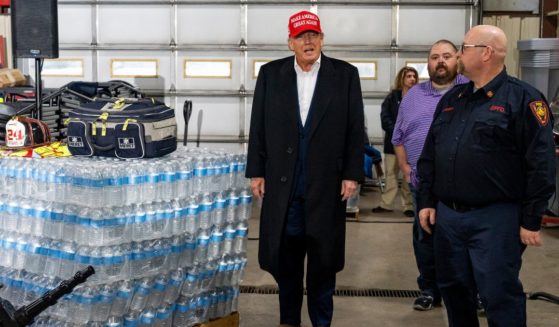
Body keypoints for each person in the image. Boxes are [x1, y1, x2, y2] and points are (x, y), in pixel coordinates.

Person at [417, 25, 555, 327]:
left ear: (486, 53)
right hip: (449, 219)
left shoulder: (524, 100)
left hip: (495, 219)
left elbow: (541, 163)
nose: (458, 54)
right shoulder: (454, 98)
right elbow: (430, 155)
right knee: (454, 292)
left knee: (498, 295)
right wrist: (427, 200)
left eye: (464, 48)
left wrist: (531, 219)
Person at [245, 10, 364, 327]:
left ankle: (321, 322)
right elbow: (257, 125)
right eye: (301, 36)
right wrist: (257, 171)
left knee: (323, 262)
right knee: (286, 261)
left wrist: (352, 174)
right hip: (284, 186)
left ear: (322, 39)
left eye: (313, 35)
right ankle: (288, 321)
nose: (308, 40)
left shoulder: (345, 75)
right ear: (290, 42)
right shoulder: (271, 75)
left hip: (326, 187)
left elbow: (356, 128)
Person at [391, 40, 469, 311]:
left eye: (446, 56)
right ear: (428, 62)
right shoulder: (414, 95)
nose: (440, 62)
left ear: (457, 59)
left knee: (464, 239)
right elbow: (398, 136)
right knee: (425, 237)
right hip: (421, 183)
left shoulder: (470, 91)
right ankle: (429, 289)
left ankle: (473, 292)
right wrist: (404, 167)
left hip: (461, 185)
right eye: (435, 57)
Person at [372, 66, 418, 216]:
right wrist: (399, 133)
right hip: (393, 144)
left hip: (411, 145)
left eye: (414, 76)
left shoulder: (420, 98)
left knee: (409, 176)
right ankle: (386, 204)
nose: (412, 79)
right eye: (409, 76)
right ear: (402, 79)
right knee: (391, 174)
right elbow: (385, 119)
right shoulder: (391, 98)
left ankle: (409, 206)